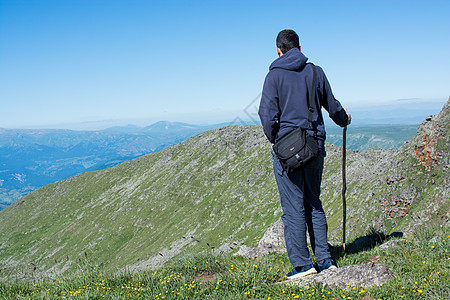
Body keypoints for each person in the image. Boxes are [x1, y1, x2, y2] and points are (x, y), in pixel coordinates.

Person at [258, 29, 351, 280]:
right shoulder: (315, 71)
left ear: (279, 50)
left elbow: (266, 115)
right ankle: (325, 259)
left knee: (293, 207)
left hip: (287, 150)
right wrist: (344, 119)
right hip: (314, 146)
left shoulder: (274, 76)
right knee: (313, 201)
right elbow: (332, 106)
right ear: (299, 48)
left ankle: (302, 265)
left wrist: (278, 139)